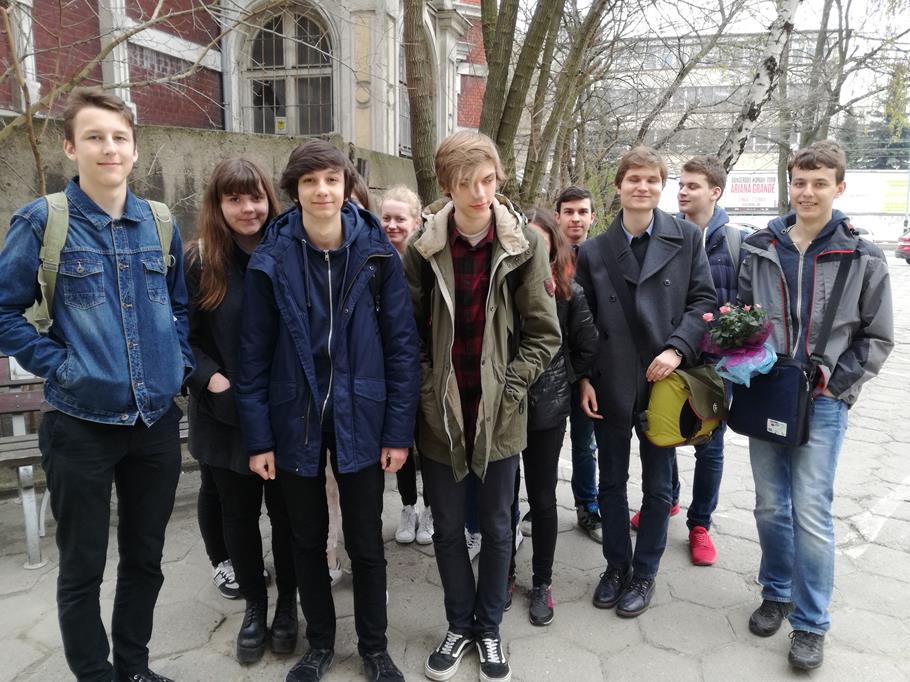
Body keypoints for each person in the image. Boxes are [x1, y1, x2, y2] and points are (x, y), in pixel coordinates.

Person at [0, 86, 193, 682]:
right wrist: (61, 365)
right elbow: (4, 311)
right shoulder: (44, 221)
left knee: (146, 559)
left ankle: (134, 667)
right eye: (94, 137)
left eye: (119, 138)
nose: (109, 148)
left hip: (154, 422)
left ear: (134, 150)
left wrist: (178, 361)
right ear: (70, 147)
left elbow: (180, 307)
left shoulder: (159, 222)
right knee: (82, 566)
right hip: (80, 424)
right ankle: (95, 675)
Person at [236, 139, 419, 682]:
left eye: (332, 180)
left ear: (346, 186)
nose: (322, 191)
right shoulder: (272, 256)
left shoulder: (377, 252)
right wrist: (259, 439)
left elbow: (402, 347)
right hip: (294, 415)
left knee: (365, 541)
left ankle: (374, 648)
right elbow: (253, 353)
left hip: (362, 414)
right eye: (310, 181)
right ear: (295, 190)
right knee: (306, 540)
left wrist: (398, 432)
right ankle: (319, 645)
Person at [403, 130, 560, 682]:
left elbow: (544, 334)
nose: (480, 194)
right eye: (467, 183)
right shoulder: (423, 247)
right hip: (442, 412)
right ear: (447, 186)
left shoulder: (524, 244)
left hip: (501, 413)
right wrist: (428, 391)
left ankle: (488, 628)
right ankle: (458, 625)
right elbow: (409, 334)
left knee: (497, 526)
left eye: (488, 181)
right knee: (448, 528)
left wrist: (512, 390)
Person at [739, 141, 893, 670]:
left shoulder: (863, 256)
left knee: (810, 509)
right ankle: (776, 591)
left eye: (819, 183)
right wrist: (740, 356)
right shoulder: (760, 247)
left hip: (823, 399)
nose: (807, 192)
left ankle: (810, 622)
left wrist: (836, 382)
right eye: (799, 182)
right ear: (790, 185)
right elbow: (740, 315)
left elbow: (877, 336)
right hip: (767, 390)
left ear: (839, 188)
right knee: (768, 503)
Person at [575, 146, 716, 618]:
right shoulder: (593, 251)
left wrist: (677, 348)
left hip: (665, 385)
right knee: (611, 482)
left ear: (662, 187)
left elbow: (703, 302)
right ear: (618, 187)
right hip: (610, 380)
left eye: (652, 179)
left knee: (658, 487)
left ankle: (645, 572)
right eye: (634, 179)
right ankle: (616, 566)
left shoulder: (687, 238)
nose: (643, 187)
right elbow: (583, 321)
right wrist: (584, 378)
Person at [184, 158, 297, 663]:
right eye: (234, 199)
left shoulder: (289, 251)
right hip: (225, 414)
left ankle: (288, 606)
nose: (248, 208)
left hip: (284, 411)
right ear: (218, 204)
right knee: (239, 515)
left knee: (289, 516)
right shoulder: (198, 260)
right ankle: (255, 606)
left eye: (256, 197)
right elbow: (179, 336)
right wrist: (212, 379)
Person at [629, 155, 742, 565]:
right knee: (665, 431)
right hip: (669, 359)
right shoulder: (666, 234)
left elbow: (743, 305)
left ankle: (700, 525)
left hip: (713, 367)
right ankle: (669, 499)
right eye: (680, 184)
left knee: (709, 447)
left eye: (693, 186)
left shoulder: (735, 243)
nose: (682, 191)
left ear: (715, 192)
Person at [504, 208, 597, 626]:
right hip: (504, 406)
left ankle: (542, 582)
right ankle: (504, 574)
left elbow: (586, 344)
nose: (532, 249)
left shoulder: (568, 292)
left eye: (540, 241)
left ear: (554, 247)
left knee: (542, 499)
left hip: (546, 408)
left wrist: (570, 378)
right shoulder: (501, 286)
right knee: (503, 499)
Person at [380, 185, 434, 545]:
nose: (392, 225)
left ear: (416, 222)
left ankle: (431, 507)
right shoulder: (375, 259)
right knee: (398, 437)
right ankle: (408, 506)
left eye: (400, 218)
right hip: (389, 370)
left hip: (424, 366)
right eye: (386, 217)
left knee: (427, 443)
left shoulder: (427, 262)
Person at [552, 186, 603, 543]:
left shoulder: (601, 258)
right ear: (557, 216)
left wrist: (587, 373)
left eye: (582, 212)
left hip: (586, 370)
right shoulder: (543, 253)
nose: (575, 218)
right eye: (568, 211)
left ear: (592, 217)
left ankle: (588, 505)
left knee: (585, 444)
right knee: (544, 446)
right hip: (549, 368)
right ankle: (539, 504)